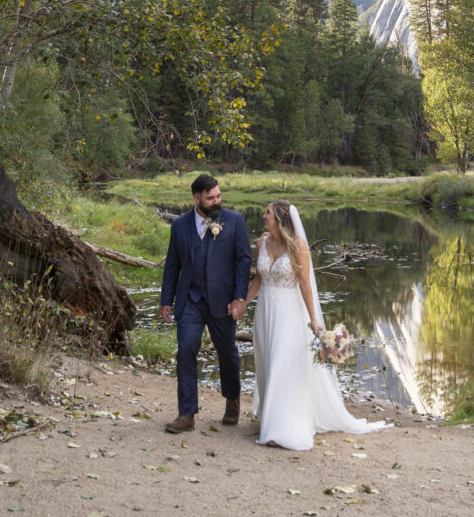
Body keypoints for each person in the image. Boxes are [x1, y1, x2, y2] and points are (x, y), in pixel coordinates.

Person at [241, 199, 386, 451]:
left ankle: (283, 428)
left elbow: (306, 285)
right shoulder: (261, 244)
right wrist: (243, 304)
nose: (263, 216)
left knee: (283, 364)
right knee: (267, 361)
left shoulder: (299, 247)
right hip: (265, 312)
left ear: (280, 220)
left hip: (289, 314)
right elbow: (259, 281)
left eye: (268, 213)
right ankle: (271, 416)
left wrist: (314, 321)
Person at [160, 173, 251, 434]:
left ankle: (232, 401)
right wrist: (167, 300)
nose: (216, 201)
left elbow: (243, 261)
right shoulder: (179, 225)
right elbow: (173, 265)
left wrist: (239, 298)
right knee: (186, 350)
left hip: (223, 301)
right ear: (196, 198)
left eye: (219, 196)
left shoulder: (234, 221)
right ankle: (186, 414)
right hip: (190, 300)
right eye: (210, 198)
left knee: (228, 353)